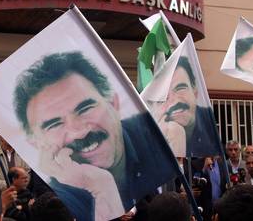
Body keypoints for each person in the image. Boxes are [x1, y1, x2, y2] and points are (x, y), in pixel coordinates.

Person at [13, 51, 176, 221]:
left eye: (85, 109)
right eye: (55, 124)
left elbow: (160, 207)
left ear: (113, 103)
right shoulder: (47, 181)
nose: (79, 131)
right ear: (36, 143)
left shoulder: (151, 146)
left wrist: (129, 209)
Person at [149, 56, 222, 157]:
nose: (174, 100)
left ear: (195, 91)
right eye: (164, 96)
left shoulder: (208, 124)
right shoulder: (147, 130)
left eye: (180, 88)